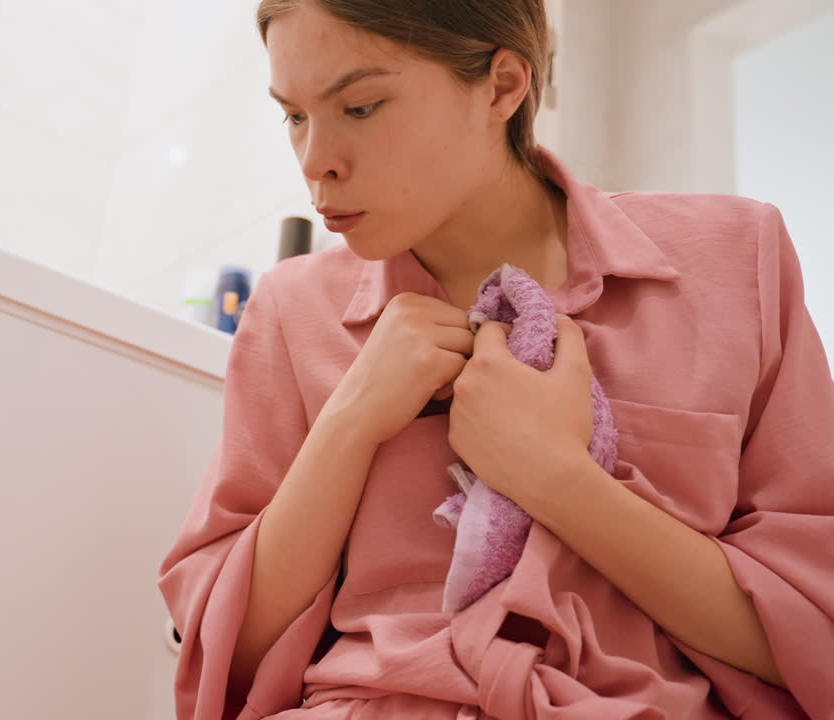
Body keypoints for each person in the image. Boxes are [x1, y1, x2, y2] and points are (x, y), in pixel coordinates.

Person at [156, 1, 834, 719]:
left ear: (503, 86)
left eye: (360, 106)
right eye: (294, 115)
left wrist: (554, 477)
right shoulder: (292, 311)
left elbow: (812, 630)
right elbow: (223, 657)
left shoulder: (734, 257)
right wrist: (348, 425)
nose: (315, 160)